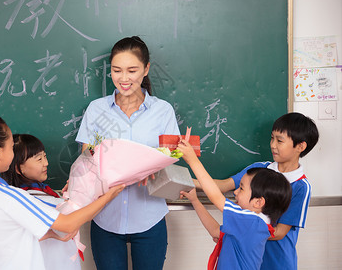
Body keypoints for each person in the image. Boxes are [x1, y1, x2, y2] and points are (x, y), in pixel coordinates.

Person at [0, 112, 124, 270]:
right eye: (11, 147)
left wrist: (51, 234)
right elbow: (68, 224)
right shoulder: (9, 196)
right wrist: (109, 196)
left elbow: (8, 235)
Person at [75, 36, 180, 269]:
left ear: (146, 70)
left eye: (132, 70)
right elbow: (86, 159)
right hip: (105, 218)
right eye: (116, 70)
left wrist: (152, 167)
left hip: (150, 218)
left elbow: (172, 159)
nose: (123, 78)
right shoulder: (97, 109)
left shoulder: (162, 111)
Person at [193, 112, 319, 270]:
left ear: (300, 146)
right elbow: (223, 186)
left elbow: (279, 232)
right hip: (247, 256)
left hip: (277, 262)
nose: (273, 145)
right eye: (272, 138)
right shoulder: (258, 169)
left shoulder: (301, 187)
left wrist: (242, 231)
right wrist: (182, 179)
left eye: (279, 140)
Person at [177, 140, 292, 270]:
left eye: (241, 188)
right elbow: (216, 232)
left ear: (258, 202)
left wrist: (193, 161)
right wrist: (195, 201)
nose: (236, 192)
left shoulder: (252, 223)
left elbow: (216, 197)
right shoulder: (251, 225)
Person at [1, 134, 80, 270]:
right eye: (39, 159)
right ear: (19, 168)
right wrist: (82, 189)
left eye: (45, 156)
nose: (46, 163)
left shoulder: (42, 191)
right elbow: (71, 213)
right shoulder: (31, 198)